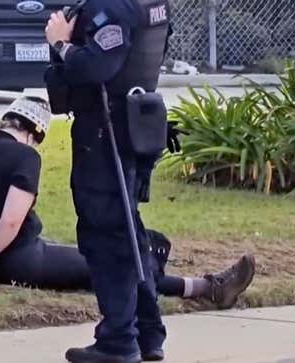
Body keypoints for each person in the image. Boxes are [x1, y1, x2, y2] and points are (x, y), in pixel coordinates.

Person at [0, 97, 255, 308]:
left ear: (4, 121)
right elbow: (10, 221)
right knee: (114, 267)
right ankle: (208, 288)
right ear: (36, 132)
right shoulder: (25, 157)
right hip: (20, 259)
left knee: (107, 261)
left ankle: (178, 272)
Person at [44, 0, 173, 360]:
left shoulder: (111, 5)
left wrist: (60, 43)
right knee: (129, 232)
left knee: (107, 237)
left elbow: (98, 65)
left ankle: (118, 340)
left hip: (106, 132)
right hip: (134, 123)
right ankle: (147, 333)